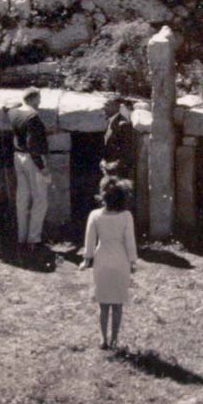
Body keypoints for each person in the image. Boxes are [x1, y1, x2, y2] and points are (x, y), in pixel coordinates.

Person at [80, 178, 137, 350]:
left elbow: (89, 241)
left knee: (103, 306)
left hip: (102, 261)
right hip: (120, 261)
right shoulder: (127, 216)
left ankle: (103, 340)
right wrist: (133, 261)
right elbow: (130, 241)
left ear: (102, 196)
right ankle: (115, 340)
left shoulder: (95, 215)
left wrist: (86, 259)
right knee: (117, 305)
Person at [7, 88, 50, 252]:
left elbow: (7, 107)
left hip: (18, 157)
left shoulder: (13, 112)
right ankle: (33, 240)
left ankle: (21, 237)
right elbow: (33, 145)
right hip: (33, 160)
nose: (40, 103)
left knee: (22, 198)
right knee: (40, 200)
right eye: (38, 99)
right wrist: (43, 167)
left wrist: (18, 103)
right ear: (33, 99)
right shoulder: (33, 117)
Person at [101, 98, 136, 180]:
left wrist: (114, 167)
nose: (103, 108)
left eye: (107, 105)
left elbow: (127, 151)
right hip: (108, 169)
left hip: (117, 173)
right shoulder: (110, 122)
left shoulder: (123, 125)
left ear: (116, 107)